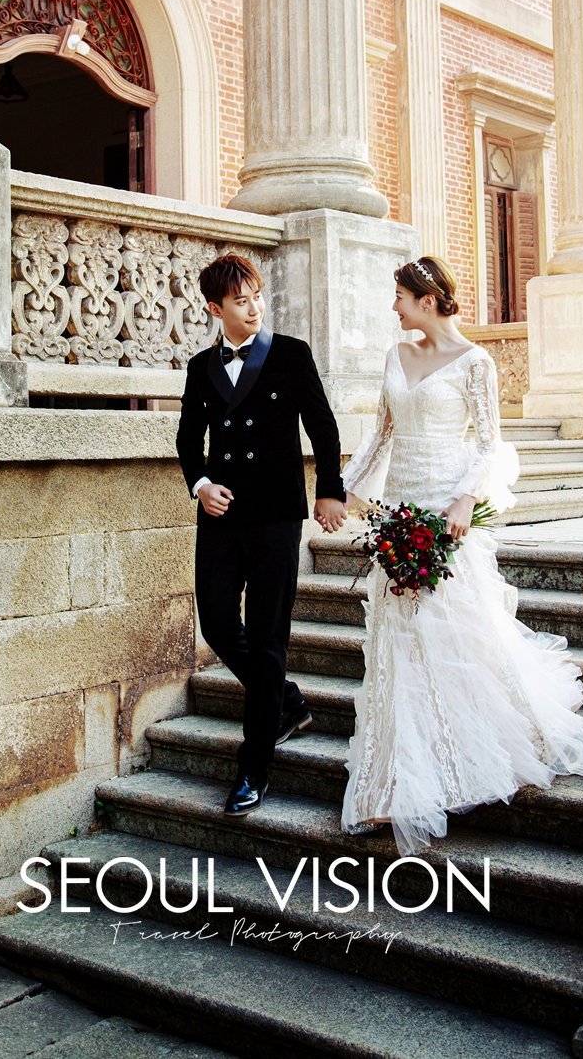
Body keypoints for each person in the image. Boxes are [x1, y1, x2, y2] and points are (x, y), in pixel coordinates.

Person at [341, 255, 583, 854]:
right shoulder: (396, 356)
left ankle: (472, 752)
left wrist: (464, 499)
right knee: (397, 639)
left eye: (400, 296)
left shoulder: (475, 362)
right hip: (398, 510)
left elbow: (489, 444)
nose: (394, 307)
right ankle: (393, 779)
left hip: (446, 514)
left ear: (428, 300)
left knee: (455, 632)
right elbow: (381, 432)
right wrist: (344, 488)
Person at [176, 253, 348, 816]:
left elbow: (323, 427)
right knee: (217, 622)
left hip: (276, 515)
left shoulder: (291, 354)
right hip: (221, 514)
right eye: (240, 301)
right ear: (215, 309)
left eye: (257, 298)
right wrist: (201, 484)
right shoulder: (200, 367)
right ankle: (285, 700)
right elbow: (187, 439)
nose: (253, 309)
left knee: (267, 635)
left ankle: (254, 768)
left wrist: (330, 490)